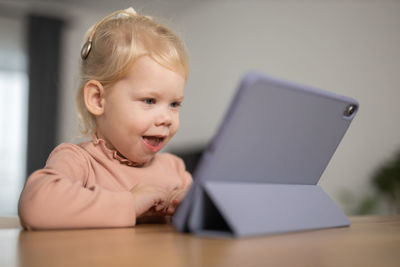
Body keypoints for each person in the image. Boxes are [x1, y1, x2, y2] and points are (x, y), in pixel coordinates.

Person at [18, 7, 192, 230]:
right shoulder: (79, 161)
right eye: (149, 101)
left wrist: (190, 204)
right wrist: (129, 203)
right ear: (98, 99)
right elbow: (35, 206)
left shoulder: (175, 170)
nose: (166, 118)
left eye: (174, 104)